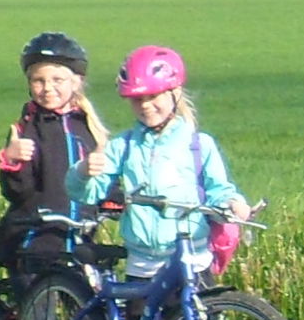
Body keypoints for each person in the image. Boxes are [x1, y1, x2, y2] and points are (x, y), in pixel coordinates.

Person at [72, 45, 251, 280]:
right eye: (137, 100)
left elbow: (218, 188)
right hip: (142, 264)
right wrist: (83, 173)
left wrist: (232, 203)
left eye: (153, 96)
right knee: (140, 317)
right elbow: (88, 193)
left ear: (174, 93)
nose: (145, 105)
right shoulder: (123, 146)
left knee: (199, 315)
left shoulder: (198, 145)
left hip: (192, 259)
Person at [0, 31, 107, 277]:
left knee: (91, 313)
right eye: (38, 81)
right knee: (40, 314)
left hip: (80, 242)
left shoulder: (89, 128)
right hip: (33, 243)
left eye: (57, 79)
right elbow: (18, 193)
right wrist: (12, 162)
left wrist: (115, 201)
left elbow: (102, 182)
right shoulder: (25, 129)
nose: (48, 88)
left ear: (76, 81)